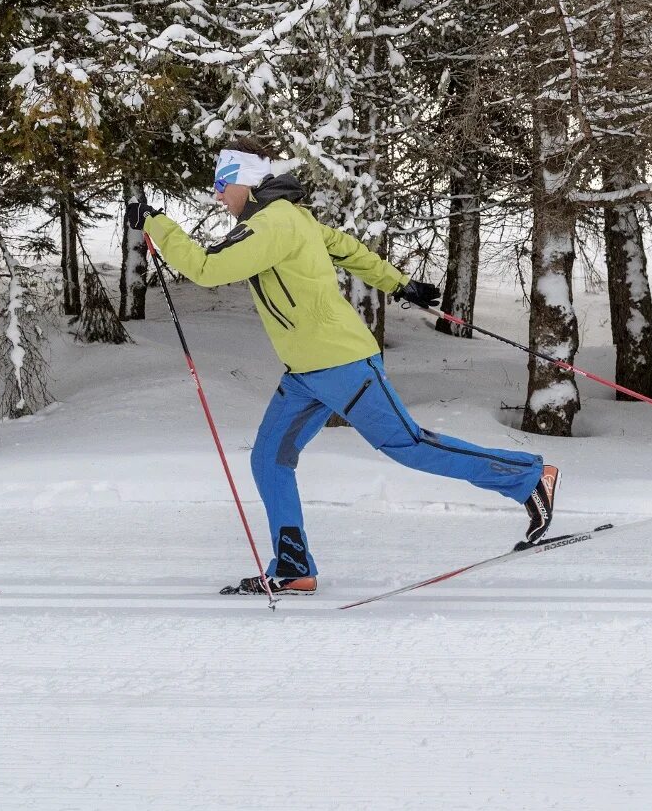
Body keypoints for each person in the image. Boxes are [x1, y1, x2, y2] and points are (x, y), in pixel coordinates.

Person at [129, 139, 559, 596]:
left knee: (408, 445)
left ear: (247, 180)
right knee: (269, 459)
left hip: (341, 364)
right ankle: (294, 567)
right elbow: (347, 248)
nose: (217, 195)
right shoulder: (290, 219)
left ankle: (530, 478)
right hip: (305, 373)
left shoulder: (272, 224)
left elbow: (205, 268)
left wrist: (155, 222)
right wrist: (400, 284)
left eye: (222, 183)